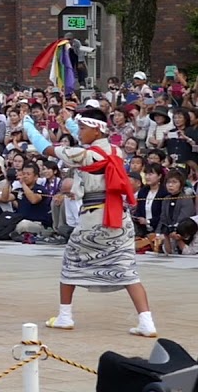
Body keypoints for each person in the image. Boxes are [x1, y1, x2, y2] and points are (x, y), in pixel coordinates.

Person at [23, 107, 157, 337]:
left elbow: (46, 148)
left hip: (94, 219)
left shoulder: (84, 156)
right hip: (119, 218)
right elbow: (89, 140)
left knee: (70, 265)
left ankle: (65, 316)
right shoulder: (116, 150)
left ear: (95, 130)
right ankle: (147, 322)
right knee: (127, 270)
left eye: (82, 128)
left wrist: (29, 127)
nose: (79, 131)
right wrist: (69, 122)